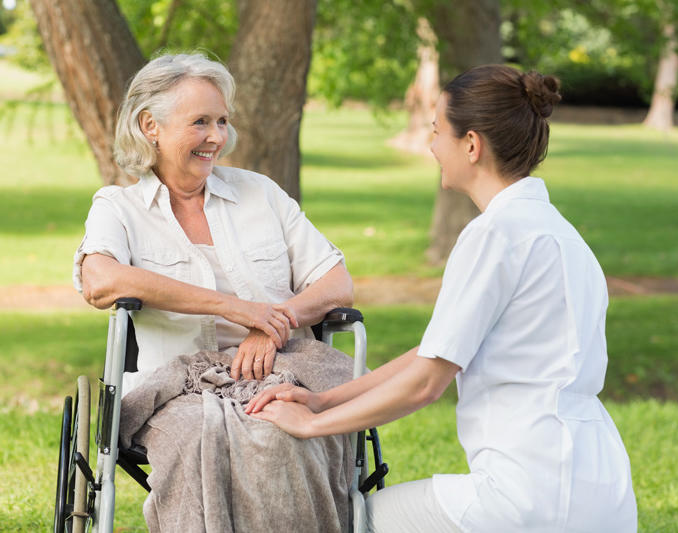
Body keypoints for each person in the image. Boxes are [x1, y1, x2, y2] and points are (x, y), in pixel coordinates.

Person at [247, 65, 638, 532]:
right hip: (604, 491)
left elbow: (425, 384)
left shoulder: (494, 235)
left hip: (524, 496)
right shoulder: (563, 235)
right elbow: (435, 353)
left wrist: (311, 424)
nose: (432, 147)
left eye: (437, 132)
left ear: (471, 145)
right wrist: (325, 400)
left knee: (352, 523)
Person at [73, 52, 353, 396]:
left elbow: (337, 283)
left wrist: (271, 324)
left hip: (284, 372)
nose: (217, 137)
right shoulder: (118, 208)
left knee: (286, 419)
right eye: (200, 122)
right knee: (265, 433)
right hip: (181, 389)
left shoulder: (260, 192)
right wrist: (235, 307)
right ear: (150, 126)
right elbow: (99, 281)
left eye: (222, 121)